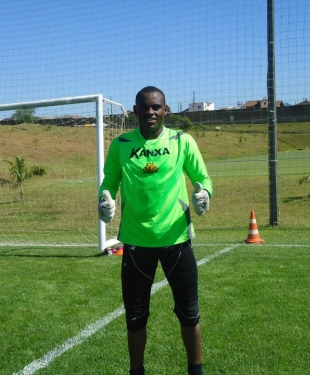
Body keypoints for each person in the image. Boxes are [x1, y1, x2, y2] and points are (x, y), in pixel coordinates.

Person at [98, 86, 213, 375]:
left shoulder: (181, 141)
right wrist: (105, 198)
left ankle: (195, 372)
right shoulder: (121, 144)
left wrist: (205, 195)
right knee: (135, 318)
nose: (150, 111)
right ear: (134, 112)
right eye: (144, 107)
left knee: (189, 314)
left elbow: (202, 178)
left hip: (177, 241)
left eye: (156, 107)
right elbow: (109, 181)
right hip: (136, 245)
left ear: (166, 111)